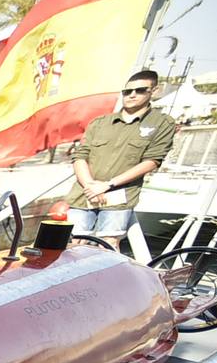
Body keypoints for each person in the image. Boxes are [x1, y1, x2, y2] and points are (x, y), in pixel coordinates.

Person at [67, 70, 177, 251]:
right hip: (84, 193)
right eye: (127, 91)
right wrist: (91, 186)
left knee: (108, 245)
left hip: (119, 196)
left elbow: (152, 161)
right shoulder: (100, 122)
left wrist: (107, 185)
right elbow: (80, 155)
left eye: (140, 90)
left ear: (154, 91)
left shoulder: (162, 123)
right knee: (73, 244)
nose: (132, 95)